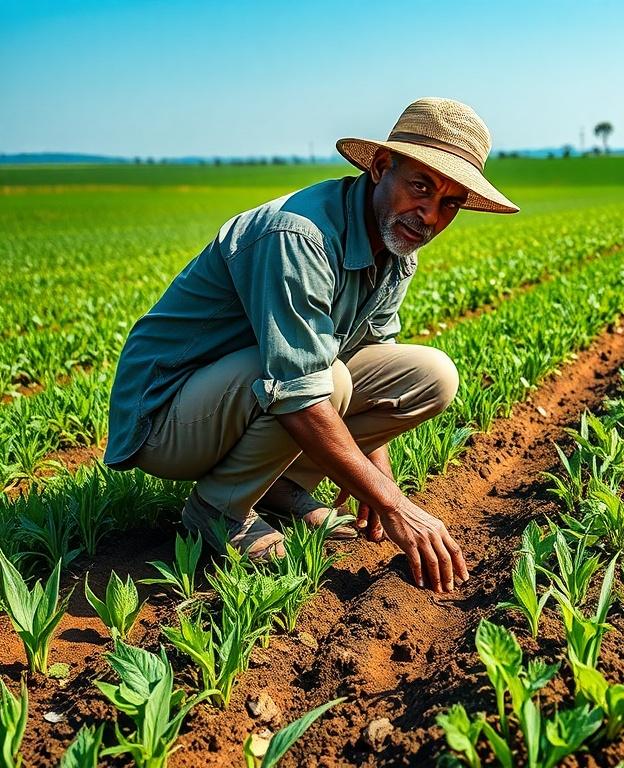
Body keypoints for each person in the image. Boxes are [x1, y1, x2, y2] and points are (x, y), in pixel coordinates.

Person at [102, 98, 519, 593]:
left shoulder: (395, 247)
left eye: (449, 203)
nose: (428, 214)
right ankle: (217, 510)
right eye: (420, 186)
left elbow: (372, 352)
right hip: (165, 416)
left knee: (431, 376)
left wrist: (373, 472)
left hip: (242, 395)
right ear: (382, 167)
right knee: (326, 380)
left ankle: (280, 487)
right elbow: (299, 389)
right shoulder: (300, 236)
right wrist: (392, 503)